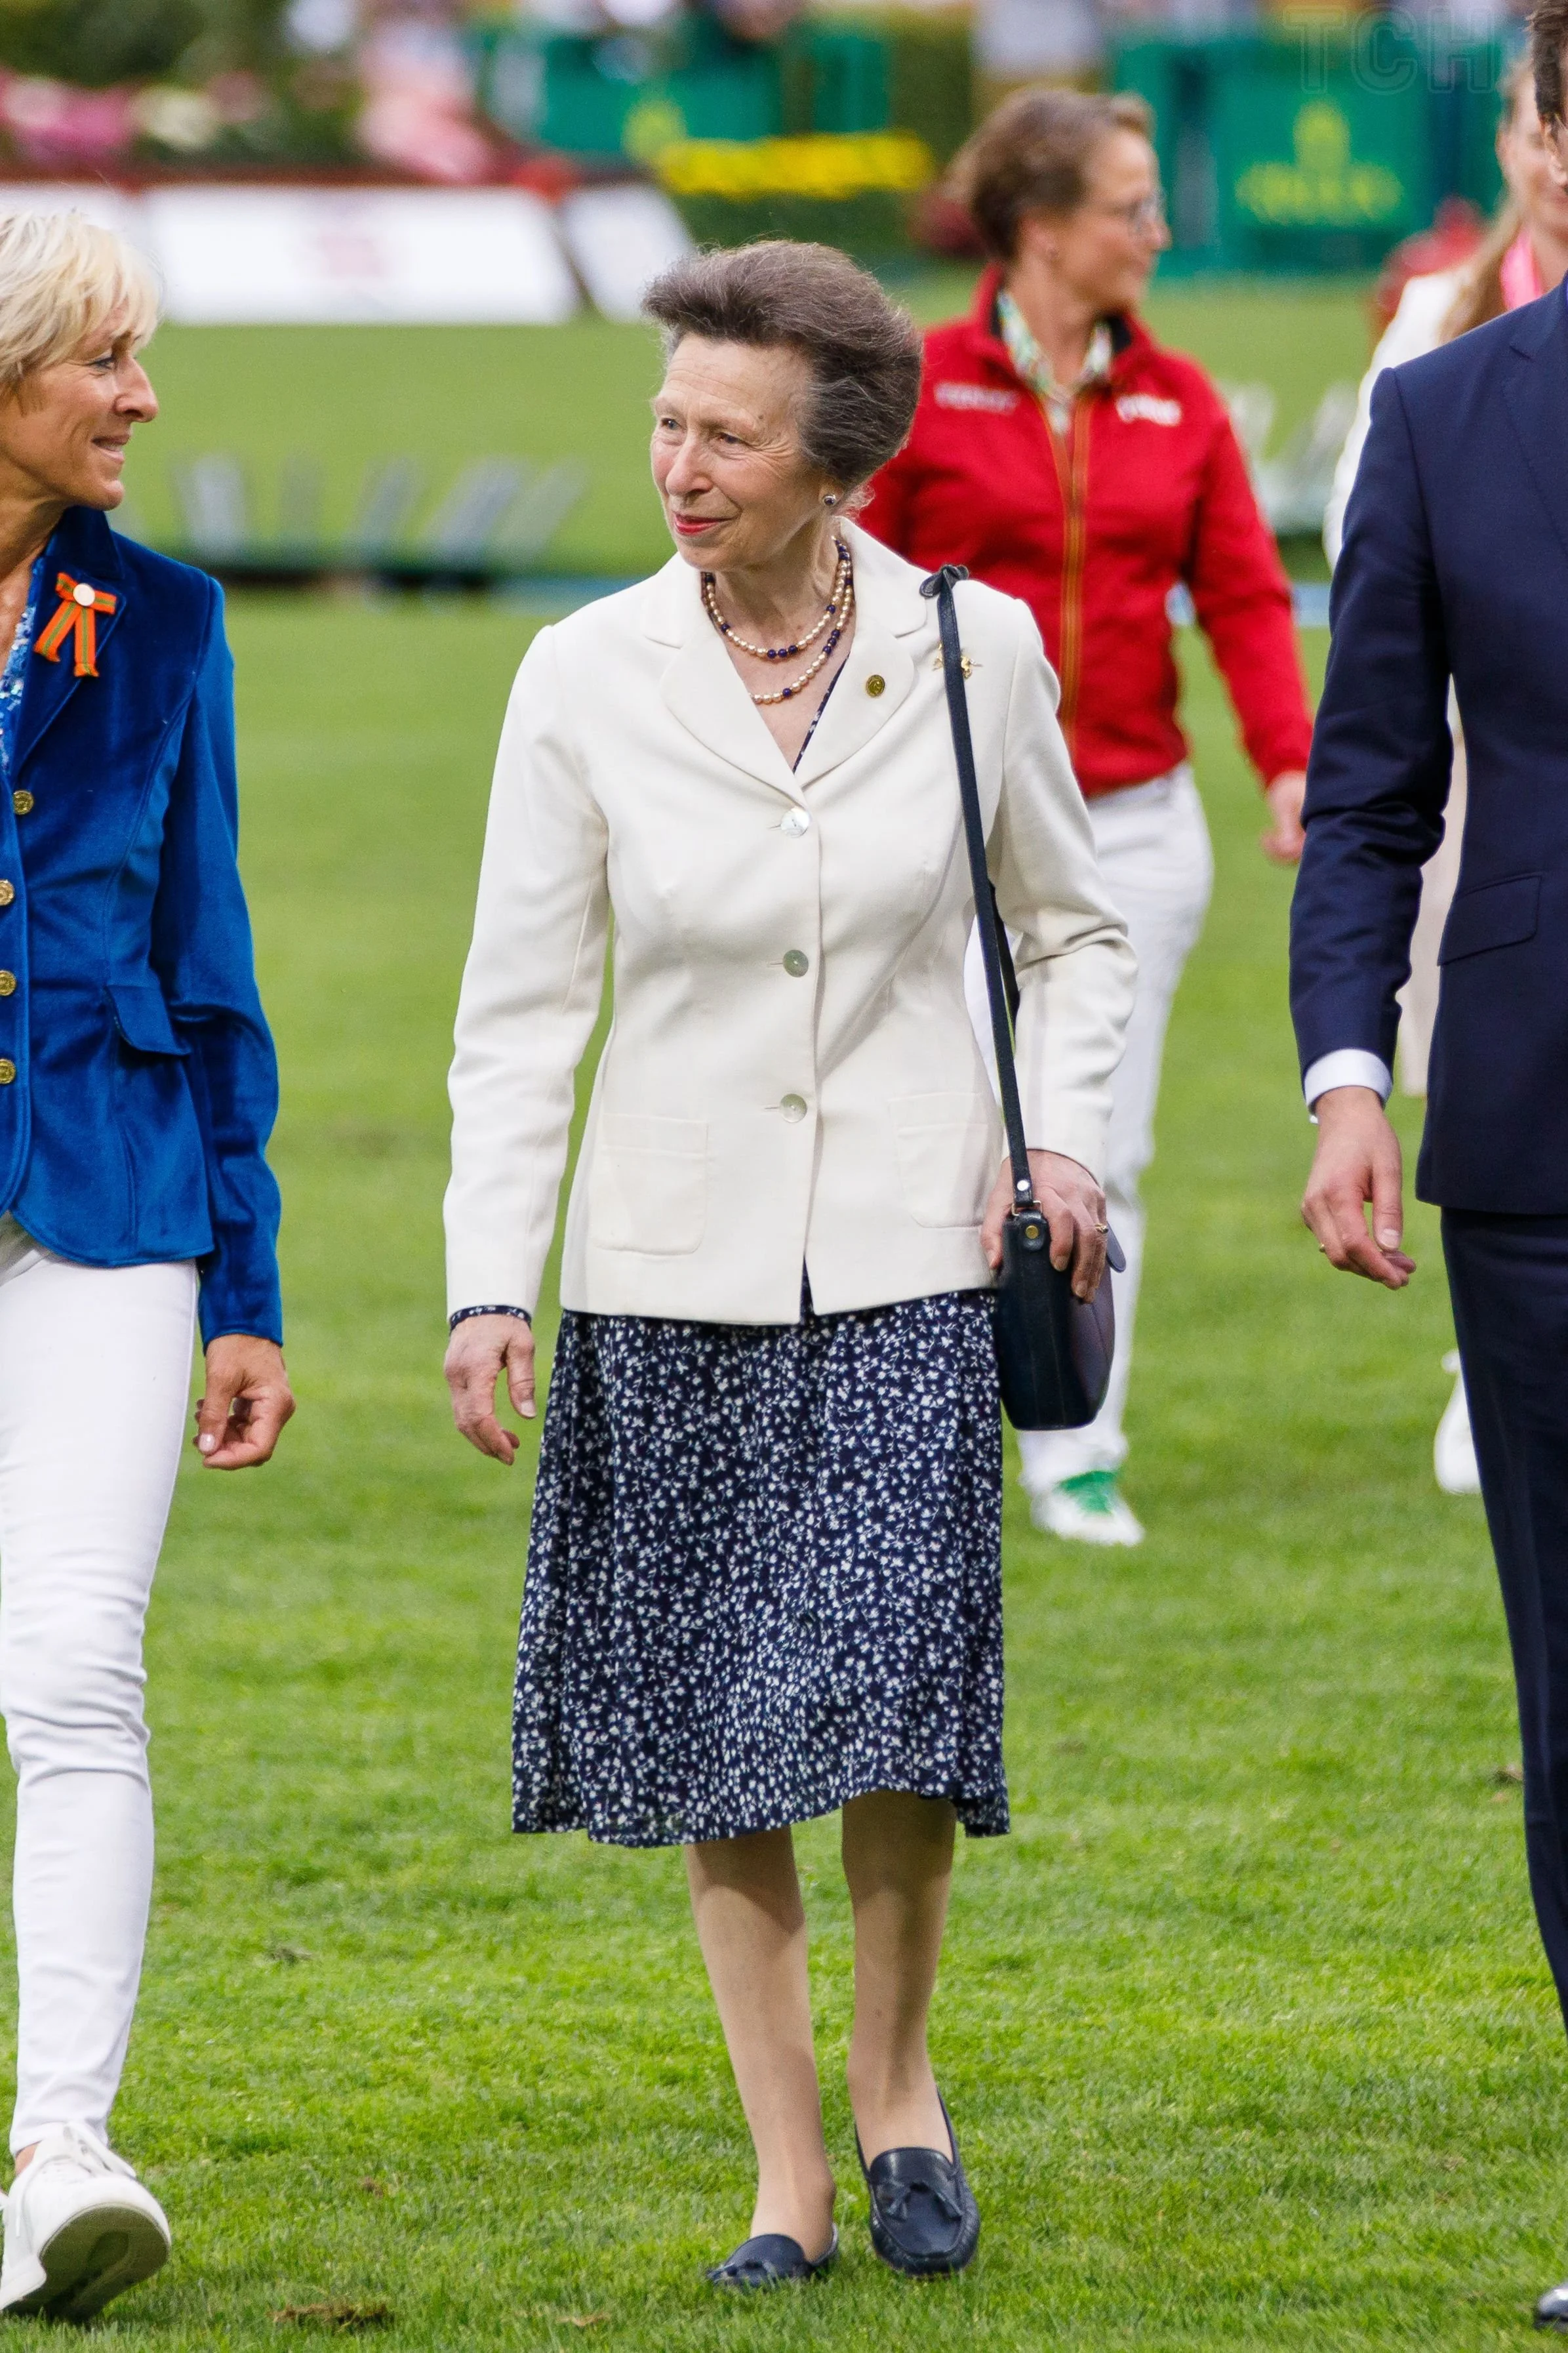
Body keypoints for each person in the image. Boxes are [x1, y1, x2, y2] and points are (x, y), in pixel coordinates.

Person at [444, 240, 1134, 2290]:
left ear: (831, 456)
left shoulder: (970, 646)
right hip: (670, 1274)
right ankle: (786, 2176)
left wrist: (1065, 1132)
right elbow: (516, 1008)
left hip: (920, 1248)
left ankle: (899, 2077)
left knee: (893, 1704)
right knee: (714, 1728)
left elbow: (1071, 931)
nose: (677, 461)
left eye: (723, 433)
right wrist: (493, 1279)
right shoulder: (579, 671)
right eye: (663, 420)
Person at [864, 87, 1313, 1548]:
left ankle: (1076, 1443)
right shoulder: (924, 382)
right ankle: (924, 1440)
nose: (1160, 231)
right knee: (933, 1138)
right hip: (939, 835)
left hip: (1129, 827)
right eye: (1134, 205)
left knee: (1095, 1138)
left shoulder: (1181, 400)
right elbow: (846, 583)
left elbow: (1244, 595)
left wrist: (1289, 762)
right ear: (1043, 228)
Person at [1291, 1, 1568, 2322]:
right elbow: (1368, 782)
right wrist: (1349, 1075)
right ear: (1546, 134)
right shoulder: (1445, 416)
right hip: (1544, 1137)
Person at [0, 213, 292, 2322]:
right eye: (108, 357)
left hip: (113, 1203)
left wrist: (249, 1281)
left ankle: (65, 2146)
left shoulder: (164, 621)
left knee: (75, 1669)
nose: (143, 396)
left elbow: (212, 968)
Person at [1323, 53, 1568, 1497]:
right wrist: (1347, 1075)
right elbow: (1373, 761)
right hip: (1506, 820)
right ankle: (1479, 1379)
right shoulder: (1438, 369)